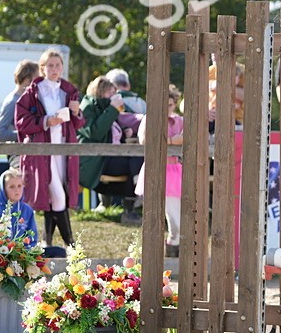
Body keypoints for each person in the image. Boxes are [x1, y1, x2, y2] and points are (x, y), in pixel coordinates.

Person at [15, 48, 84, 249]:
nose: (55, 69)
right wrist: (45, 121)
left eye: (58, 65)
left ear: (62, 67)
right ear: (42, 68)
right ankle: (70, 243)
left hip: (64, 149)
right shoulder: (32, 92)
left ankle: (47, 242)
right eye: (50, 65)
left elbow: (79, 124)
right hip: (42, 150)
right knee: (57, 194)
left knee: (55, 195)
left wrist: (77, 112)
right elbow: (20, 120)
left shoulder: (69, 91)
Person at [77, 76, 137, 213]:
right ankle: (130, 208)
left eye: (114, 92)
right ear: (99, 91)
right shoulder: (88, 107)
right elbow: (95, 133)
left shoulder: (106, 107)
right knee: (135, 162)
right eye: (109, 92)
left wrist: (124, 132)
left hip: (107, 156)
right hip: (93, 160)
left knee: (137, 160)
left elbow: (109, 134)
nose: (113, 95)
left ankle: (131, 199)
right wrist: (112, 109)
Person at [137, 84, 184, 253]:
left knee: (175, 214)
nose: (167, 108)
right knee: (155, 213)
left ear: (175, 104)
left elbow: (186, 139)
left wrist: (169, 140)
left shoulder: (180, 121)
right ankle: (159, 249)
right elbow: (144, 140)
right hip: (155, 167)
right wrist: (171, 140)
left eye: (170, 105)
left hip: (174, 169)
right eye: (164, 104)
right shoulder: (150, 118)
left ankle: (173, 245)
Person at [0, 168, 43, 250]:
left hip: (21, 254)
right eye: (12, 187)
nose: (17, 190)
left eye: (19, 186)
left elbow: (32, 239)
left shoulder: (27, 210)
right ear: (3, 189)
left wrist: (26, 251)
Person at [0, 59, 40, 170]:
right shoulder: (12, 102)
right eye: (37, 78)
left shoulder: (32, 99)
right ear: (28, 80)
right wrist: (26, 133)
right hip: (18, 157)